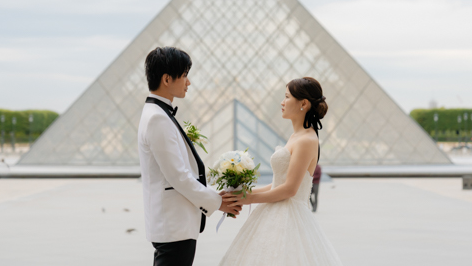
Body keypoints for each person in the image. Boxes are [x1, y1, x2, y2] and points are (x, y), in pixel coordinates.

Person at [220, 77, 343, 265]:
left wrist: (248, 198)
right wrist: (244, 193)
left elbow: (290, 189)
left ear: (303, 103)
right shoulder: (297, 136)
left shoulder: (306, 140)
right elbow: (279, 183)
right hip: (278, 211)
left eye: (287, 96)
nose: (282, 102)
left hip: (288, 217)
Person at [138, 47, 242, 266]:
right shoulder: (158, 118)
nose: (189, 82)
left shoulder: (157, 113)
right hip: (174, 225)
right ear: (167, 79)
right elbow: (179, 176)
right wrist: (217, 202)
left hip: (173, 224)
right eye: (184, 75)